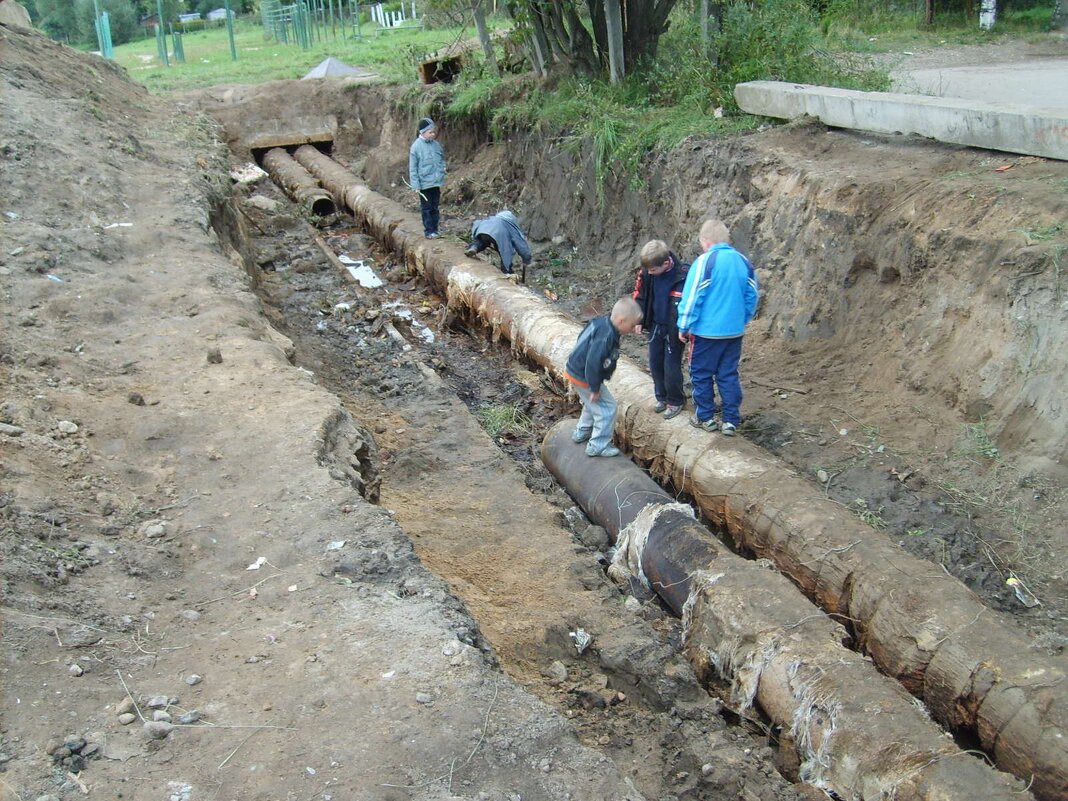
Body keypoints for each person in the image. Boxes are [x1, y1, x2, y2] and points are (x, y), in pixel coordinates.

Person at [676, 219, 759, 437]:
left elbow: (692, 297)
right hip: (734, 332)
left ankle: (705, 417)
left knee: (701, 374)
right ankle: (731, 420)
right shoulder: (743, 262)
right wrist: (742, 319)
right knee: (728, 374)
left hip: (706, 333)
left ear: (705, 241)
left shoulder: (705, 262)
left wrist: (683, 325)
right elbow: (752, 296)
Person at [564, 297, 643, 458]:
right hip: (585, 376)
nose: (633, 329)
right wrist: (594, 387)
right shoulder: (606, 336)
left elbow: (582, 338)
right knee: (608, 408)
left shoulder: (601, 323)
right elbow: (593, 362)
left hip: (575, 370)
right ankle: (598, 445)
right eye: (632, 325)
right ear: (622, 321)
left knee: (592, 403)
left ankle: (582, 431)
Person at [632, 239, 689, 420]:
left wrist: (686, 328)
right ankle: (662, 397)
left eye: (653, 270)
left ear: (665, 264)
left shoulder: (683, 275)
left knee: (671, 364)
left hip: (675, 328)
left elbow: (690, 304)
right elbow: (641, 295)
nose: (650, 273)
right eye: (647, 270)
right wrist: (639, 319)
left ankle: (676, 400)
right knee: (655, 362)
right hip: (656, 324)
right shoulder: (648, 273)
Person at [464, 210, 533, 277]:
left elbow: (477, 223)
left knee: (482, 242)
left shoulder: (492, 218)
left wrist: (474, 236)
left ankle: (474, 247)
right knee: (505, 252)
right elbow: (520, 245)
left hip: (482, 229)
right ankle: (507, 271)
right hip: (499, 235)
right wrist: (526, 259)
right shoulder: (509, 225)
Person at [408, 117, 445, 239]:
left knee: (435, 206)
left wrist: (442, 171)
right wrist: (416, 185)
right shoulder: (416, 147)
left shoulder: (436, 145)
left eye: (434, 132)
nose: (433, 134)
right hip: (424, 184)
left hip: (435, 183)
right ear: (422, 132)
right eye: (430, 132)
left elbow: (441, 160)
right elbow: (413, 168)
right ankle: (429, 231)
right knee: (427, 208)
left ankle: (435, 228)